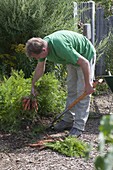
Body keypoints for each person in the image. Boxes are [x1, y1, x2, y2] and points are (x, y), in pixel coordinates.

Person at [25, 30, 96, 137]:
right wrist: (33, 85)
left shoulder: (61, 47)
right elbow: (40, 68)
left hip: (85, 55)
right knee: (71, 90)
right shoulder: (43, 47)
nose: (37, 59)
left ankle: (78, 126)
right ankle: (68, 120)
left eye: (37, 57)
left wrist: (88, 85)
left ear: (44, 50)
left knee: (83, 91)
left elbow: (84, 62)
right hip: (72, 59)